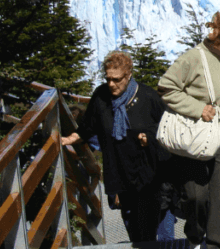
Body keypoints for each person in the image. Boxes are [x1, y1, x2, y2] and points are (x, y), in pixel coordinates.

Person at [159, 11, 220, 249]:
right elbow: (166, 87)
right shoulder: (193, 58)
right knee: (195, 196)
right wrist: (198, 108)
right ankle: (195, 237)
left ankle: (216, 244)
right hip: (195, 136)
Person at [62, 51, 167, 243]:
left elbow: (166, 132)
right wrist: (70, 138)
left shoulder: (148, 97)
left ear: (128, 75)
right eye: (108, 78)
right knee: (132, 229)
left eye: (116, 79)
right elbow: (88, 127)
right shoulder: (101, 97)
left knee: (146, 233)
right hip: (119, 177)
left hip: (147, 177)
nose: (111, 84)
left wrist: (148, 138)